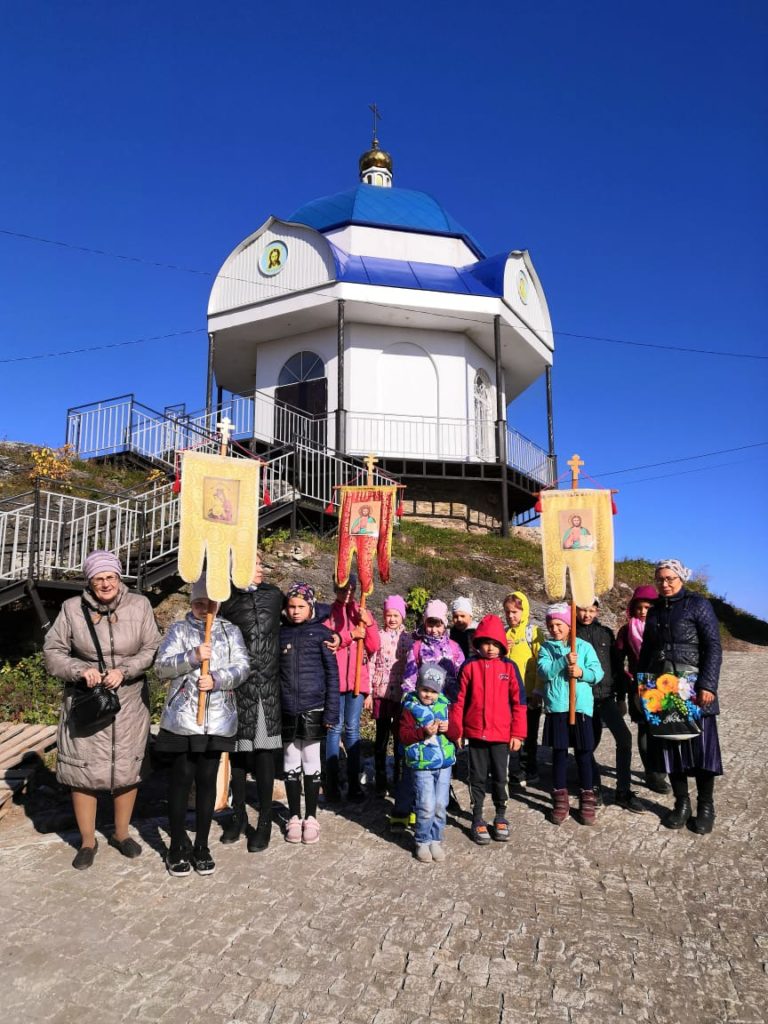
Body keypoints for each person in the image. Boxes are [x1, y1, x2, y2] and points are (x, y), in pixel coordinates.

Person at [43, 550, 161, 870]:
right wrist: (80, 670)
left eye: (110, 577)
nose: (105, 583)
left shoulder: (140, 606)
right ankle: (87, 841)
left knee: (127, 769)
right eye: (98, 578)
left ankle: (122, 834)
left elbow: (152, 647)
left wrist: (126, 669)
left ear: (119, 577)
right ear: (89, 581)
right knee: (84, 772)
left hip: (128, 702)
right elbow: (53, 652)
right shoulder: (71, 609)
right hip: (87, 702)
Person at [155, 576, 250, 877]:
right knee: (182, 779)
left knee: (208, 780)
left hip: (218, 718)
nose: (203, 607)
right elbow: (161, 667)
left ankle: (201, 845)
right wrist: (193, 657)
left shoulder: (230, 631)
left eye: (208, 603)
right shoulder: (179, 630)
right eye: (197, 602)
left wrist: (219, 679)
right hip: (184, 718)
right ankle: (176, 846)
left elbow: (243, 666)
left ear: (218, 603)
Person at [638, 559, 723, 834]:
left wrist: (708, 685)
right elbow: (646, 651)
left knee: (701, 751)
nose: (664, 583)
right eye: (659, 578)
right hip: (662, 688)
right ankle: (682, 803)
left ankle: (706, 806)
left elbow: (713, 646)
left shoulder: (699, 605)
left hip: (694, 688)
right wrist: (642, 688)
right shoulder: (653, 612)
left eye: (669, 578)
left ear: (681, 578)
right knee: (669, 747)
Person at [218, 552, 283, 852]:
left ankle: (266, 821)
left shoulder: (273, 595)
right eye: (254, 564)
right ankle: (239, 815)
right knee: (241, 755)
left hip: (267, 687)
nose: (260, 569)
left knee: (265, 753)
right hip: (239, 687)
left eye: (260, 564)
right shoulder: (227, 600)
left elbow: (304, 612)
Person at [449, 615, 526, 845]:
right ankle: (478, 816)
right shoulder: (469, 666)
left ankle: (501, 814)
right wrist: (457, 730)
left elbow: (519, 703)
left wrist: (517, 734)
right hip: (476, 734)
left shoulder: (509, 668)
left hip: (502, 735)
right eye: (486, 643)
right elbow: (459, 701)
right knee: (477, 777)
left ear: (502, 644)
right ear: (478, 643)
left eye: (495, 644)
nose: (490, 648)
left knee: (501, 777)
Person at [279, 583, 340, 844]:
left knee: (311, 761)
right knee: (291, 761)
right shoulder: (280, 634)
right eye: (291, 606)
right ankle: (294, 815)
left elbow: (332, 676)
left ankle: (311, 816)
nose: (295, 611)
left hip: (314, 706)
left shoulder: (323, 634)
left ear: (311, 607)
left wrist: (331, 713)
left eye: (301, 607)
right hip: (287, 707)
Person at [534, 604, 603, 826]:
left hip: (580, 707)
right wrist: (563, 661)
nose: (555, 629)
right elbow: (544, 672)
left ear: (569, 625)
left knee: (583, 753)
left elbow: (598, 673)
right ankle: (560, 798)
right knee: (560, 753)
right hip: (558, 708)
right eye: (551, 625)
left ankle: (587, 797)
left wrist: (581, 672)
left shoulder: (583, 647)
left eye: (559, 624)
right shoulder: (546, 648)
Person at [575, 601, 644, 813]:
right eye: (582, 609)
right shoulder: (570, 633)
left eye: (591, 610)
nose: (586, 614)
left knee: (625, 738)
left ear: (597, 610)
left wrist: (622, 695)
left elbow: (615, 666)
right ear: (575, 610)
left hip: (605, 697)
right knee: (588, 745)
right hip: (583, 699)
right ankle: (592, 787)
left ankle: (623, 791)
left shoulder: (605, 633)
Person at [323, 575, 379, 802]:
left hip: (357, 681)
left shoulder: (363, 612)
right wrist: (350, 635)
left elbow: (374, 646)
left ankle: (355, 784)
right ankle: (332, 785)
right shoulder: (327, 614)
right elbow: (328, 642)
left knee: (353, 730)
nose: (346, 593)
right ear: (335, 588)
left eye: (350, 589)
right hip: (335, 682)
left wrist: (370, 624)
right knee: (334, 730)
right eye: (341, 589)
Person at [399, 663, 458, 863]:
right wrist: (422, 732)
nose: (428, 695)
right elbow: (403, 735)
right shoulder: (410, 707)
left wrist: (448, 729)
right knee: (425, 805)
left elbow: (456, 733)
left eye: (433, 691)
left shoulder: (445, 705)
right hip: (422, 764)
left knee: (441, 805)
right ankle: (422, 840)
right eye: (425, 690)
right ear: (417, 687)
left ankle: (435, 839)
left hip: (444, 765)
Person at [616, 585, 671, 795]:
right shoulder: (626, 630)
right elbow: (618, 660)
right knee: (645, 730)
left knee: (664, 729)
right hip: (638, 687)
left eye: (647, 607)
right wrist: (628, 679)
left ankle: (664, 769)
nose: (643, 611)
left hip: (663, 685)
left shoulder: (664, 628)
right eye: (639, 607)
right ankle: (652, 774)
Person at [370, 594, 413, 794]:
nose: (392, 619)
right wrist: (369, 693)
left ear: (402, 616)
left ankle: (398, 778)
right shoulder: (378, 636)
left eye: (396, 615)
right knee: (381, 737)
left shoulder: (409, 638)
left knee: (399, 738)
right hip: (381, 693)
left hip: (401, 695)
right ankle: (380, 780)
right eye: (389, 615)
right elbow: (370, 663)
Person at [503, 591, 544, 787]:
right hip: (508, 696)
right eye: (508, 612)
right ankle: (516, 771)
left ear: (524, 610)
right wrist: (505, 648)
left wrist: (538, 690)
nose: (511, 616)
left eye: (515, 612)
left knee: (529, 734)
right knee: (512, 733)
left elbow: (540, 664)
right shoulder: (504, 634)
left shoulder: (533, 633)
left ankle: (531, 769)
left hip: (529, 695)